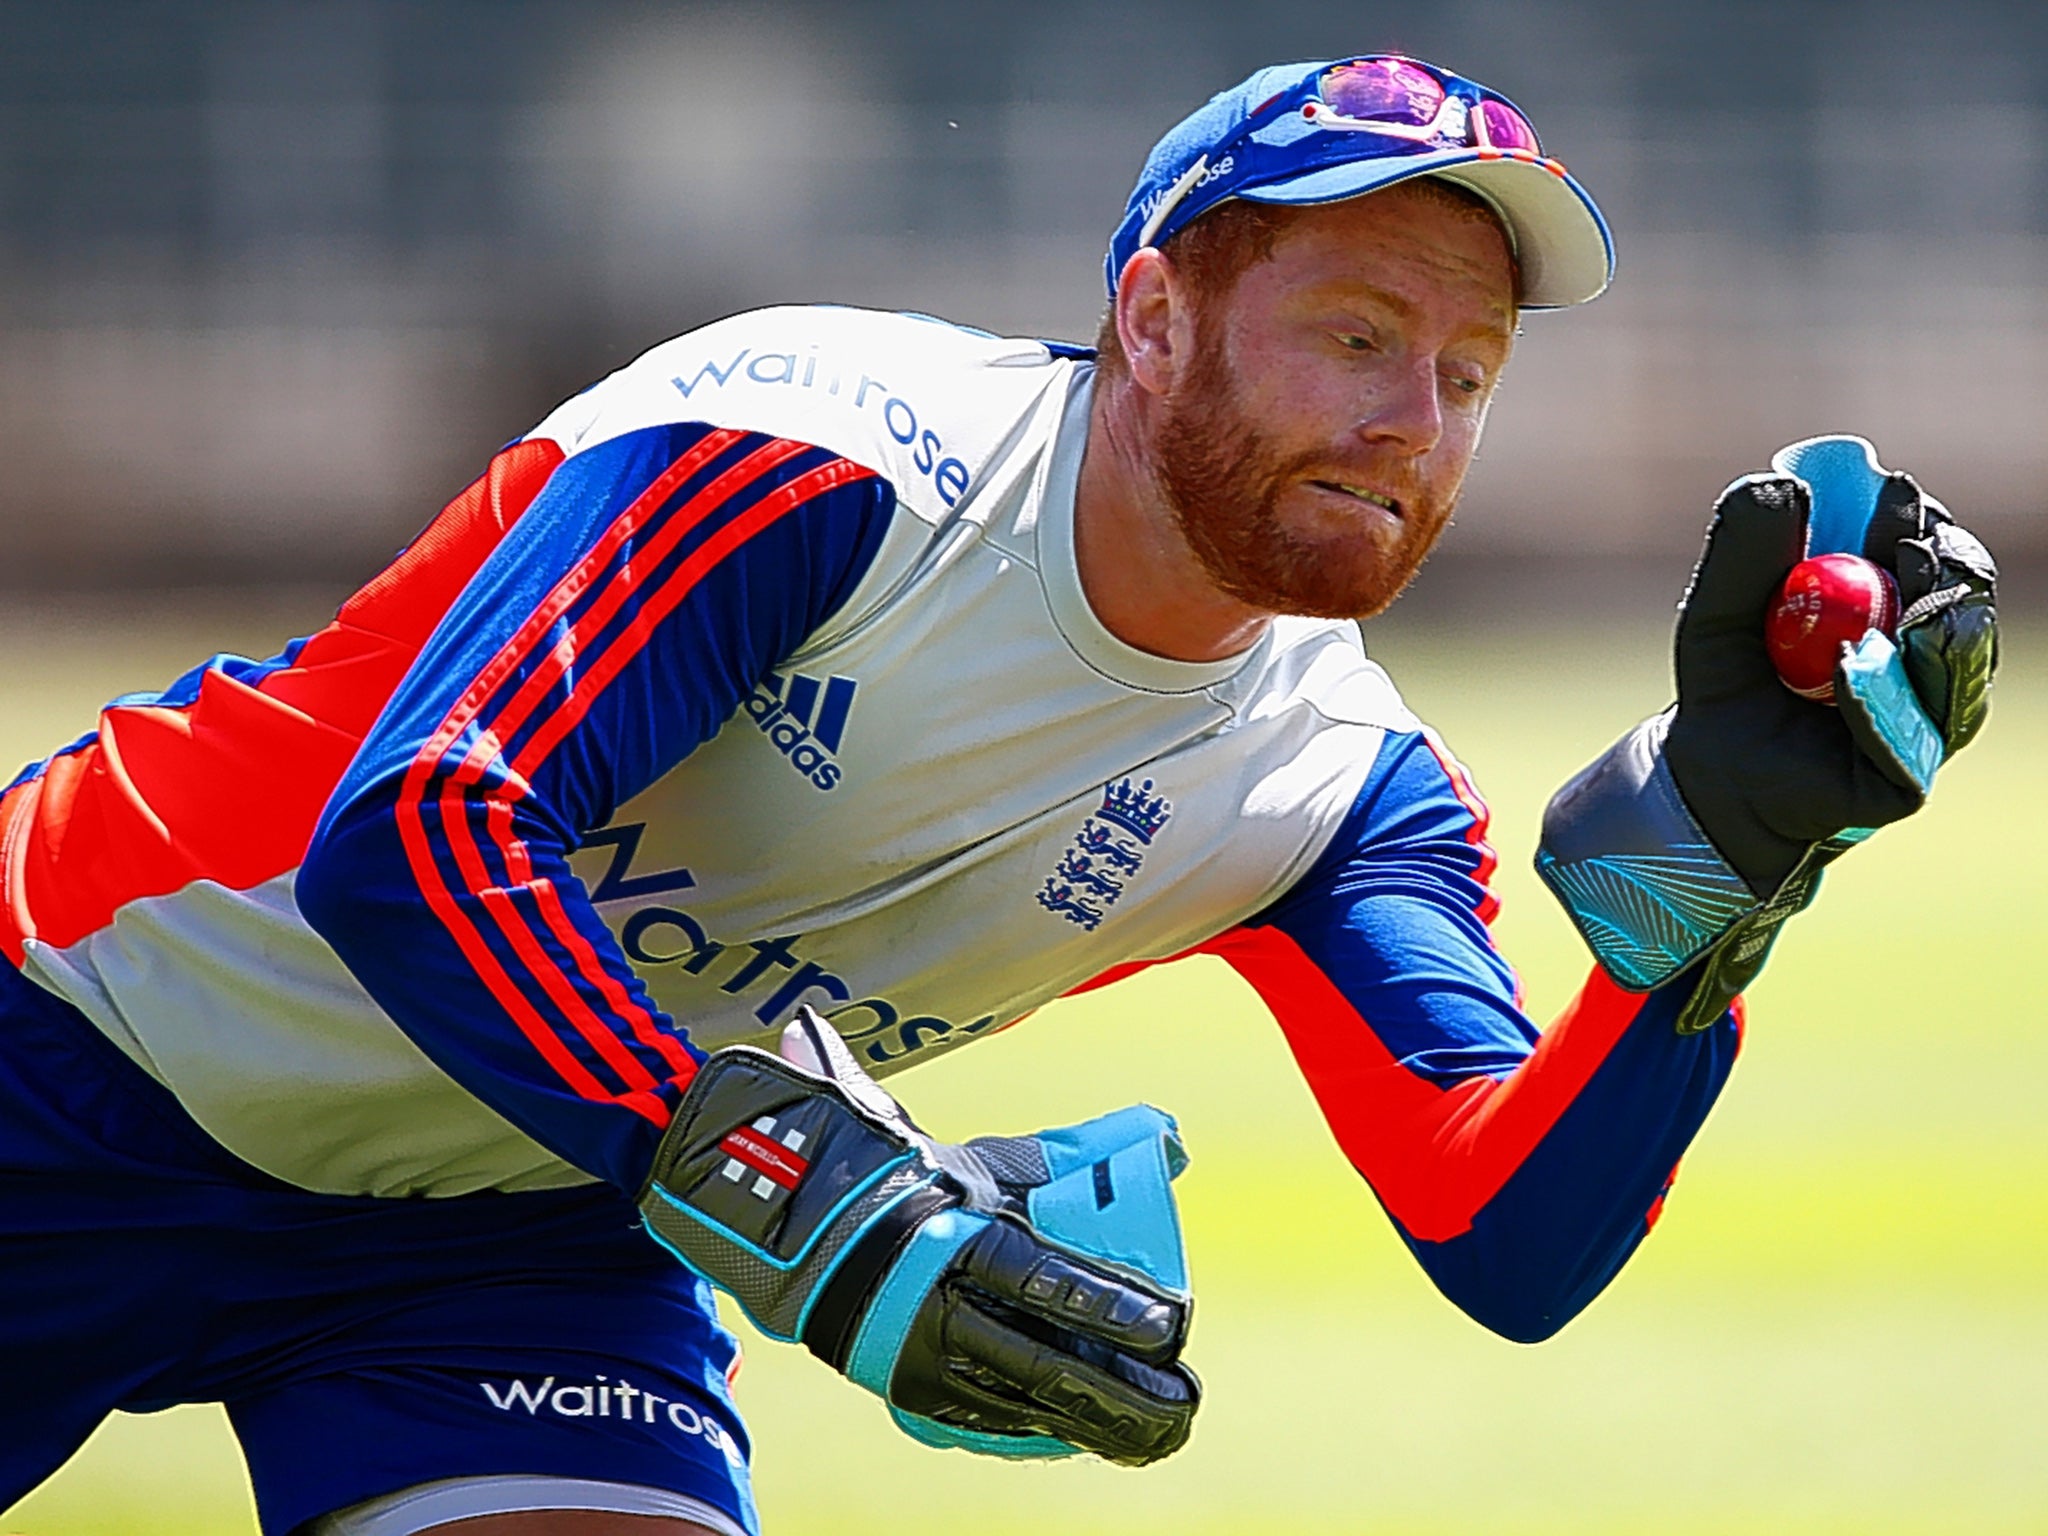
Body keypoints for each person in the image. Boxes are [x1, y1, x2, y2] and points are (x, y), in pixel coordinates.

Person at [0, 52, 1997, 1536]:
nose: (1413, 422)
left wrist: (1724, 903)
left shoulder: (1335, 784)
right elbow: (419, 840)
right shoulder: (824, 450)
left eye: (1468, 372)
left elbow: (1503, 1231)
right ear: (1149, 315)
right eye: (1357, 336)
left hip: (520, 1224)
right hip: (74, 1037)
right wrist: (823, 1212)